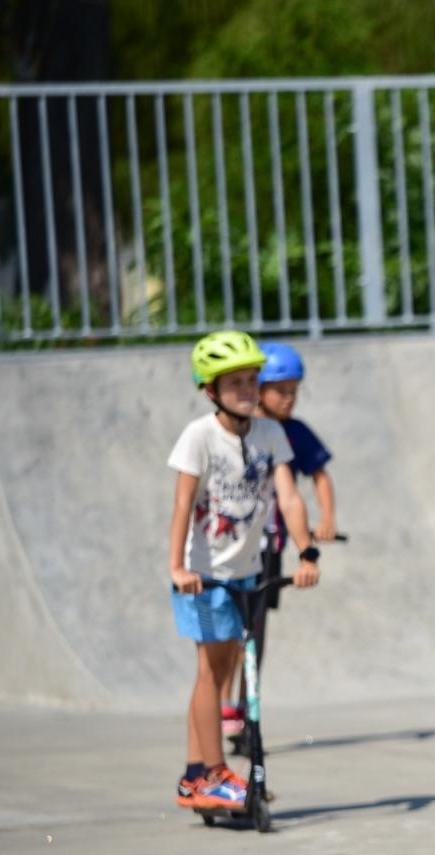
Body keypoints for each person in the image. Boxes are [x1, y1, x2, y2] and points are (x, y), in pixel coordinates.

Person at [168, 330, 320, 811]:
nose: (248, 390)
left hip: (247, 570)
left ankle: (195, 775)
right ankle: (212, 773)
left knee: (219, 669)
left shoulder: (270, 434)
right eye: (235, 383)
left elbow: (288, 497)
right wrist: (177, 567)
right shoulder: (200, 436)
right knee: (211, 670)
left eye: (252, 380)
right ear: (210, 390)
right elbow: (182, 503)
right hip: (204, 572)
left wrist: (307, 551)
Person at [217, 340, 339, 743]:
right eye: (280, 390)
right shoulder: (241, 428)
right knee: (230, 631)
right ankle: (224, 703)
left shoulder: (293, 433)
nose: (289, 399)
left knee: (255, 631)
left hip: (268, 547)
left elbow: (317, 478)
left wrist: (326, 522)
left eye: (294, 391)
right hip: (231, 544)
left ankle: (246, 706)